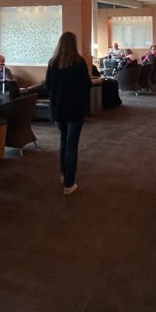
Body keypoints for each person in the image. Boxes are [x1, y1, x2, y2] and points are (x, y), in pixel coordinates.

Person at [45, 31, 91, 196]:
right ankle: (69, 184)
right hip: (75, 110)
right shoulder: (79, 63)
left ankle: (64, 174)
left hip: (58, 110)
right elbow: (87, 85)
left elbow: (48, 86)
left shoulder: (52, 63)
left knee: (63, 142)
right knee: (72, 146)